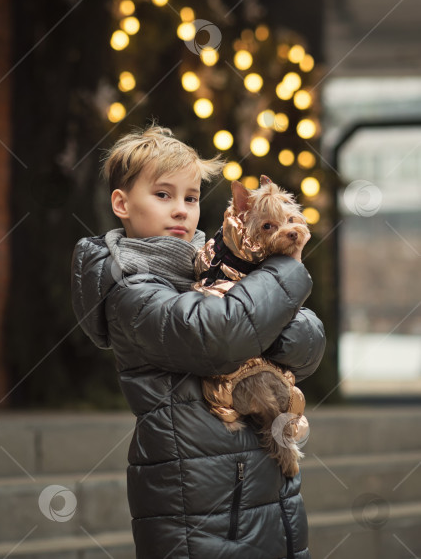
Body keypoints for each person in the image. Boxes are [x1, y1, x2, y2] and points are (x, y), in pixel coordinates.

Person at [71, 122, 326, 559]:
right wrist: (284, 268)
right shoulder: (129, 288)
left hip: (264, 481)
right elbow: (218, 335)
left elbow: (310, 343)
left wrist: (259, 316)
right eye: (163, 195)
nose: (181, 210)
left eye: (190, 198)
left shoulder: (217, 268)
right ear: (122, 203)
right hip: (198, 501)